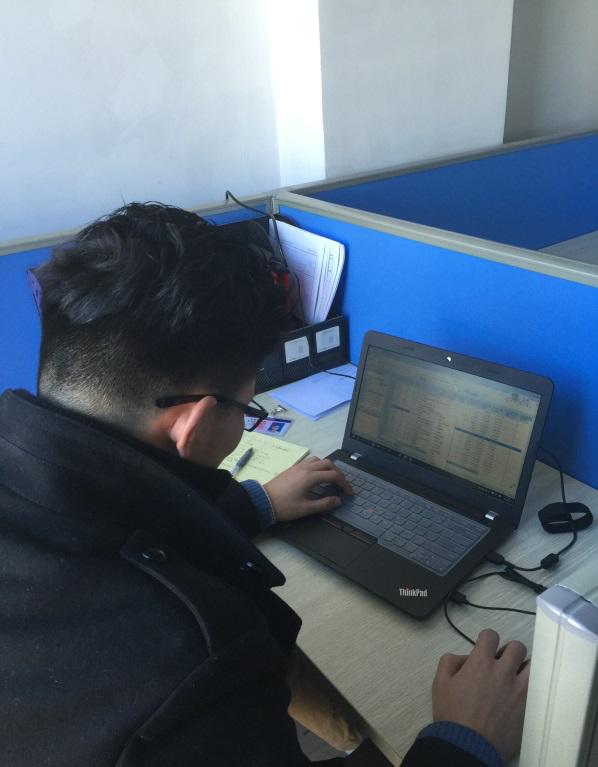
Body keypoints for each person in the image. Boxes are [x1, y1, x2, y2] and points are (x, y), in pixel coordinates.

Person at [0, 202, 529, 766]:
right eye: (247, 407)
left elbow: (125, 516)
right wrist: (465, 738)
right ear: (193, 425)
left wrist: (258, 503)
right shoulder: (193, 664)